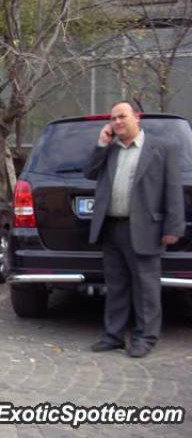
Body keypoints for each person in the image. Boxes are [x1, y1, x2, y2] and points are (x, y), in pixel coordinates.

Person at [83, 101, 184, 358]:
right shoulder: (110, 149)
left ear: (136, 118)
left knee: (146, 288)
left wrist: (173, 226)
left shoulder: (162, 148)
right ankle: (113, 336)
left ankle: (145, 338)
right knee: (116, 286)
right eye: (113, 118)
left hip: (145, 229)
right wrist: (101, 144)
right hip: (112, 228)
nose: (117, 122)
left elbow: (173, 190)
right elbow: (89, 172)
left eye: (122, 117)